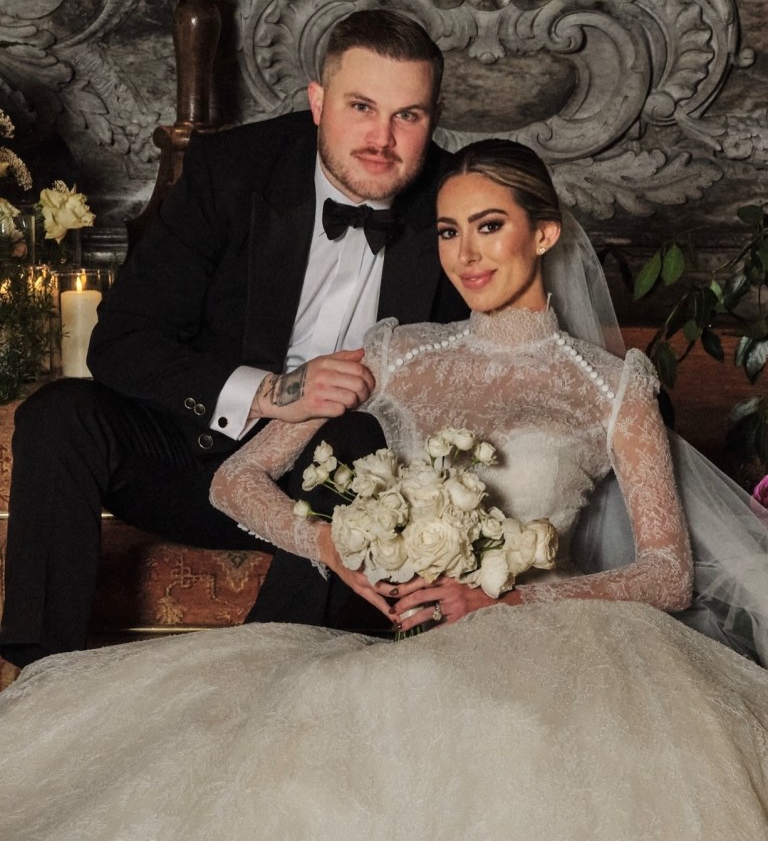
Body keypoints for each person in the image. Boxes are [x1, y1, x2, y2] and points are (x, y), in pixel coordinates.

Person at [2, 140, 768, 841]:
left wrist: (508, 601)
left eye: (488, 226)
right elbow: (237, 479)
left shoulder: (613, 385)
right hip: (400, 640)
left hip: (552, 645)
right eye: (446, 231)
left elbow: (668, 571)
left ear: (544, 234)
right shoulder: (394, 353)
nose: (464, 254)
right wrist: (327, 544)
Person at [0, 8, 468, 674]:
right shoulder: (233, 171)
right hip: (196, 458)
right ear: (316, 100)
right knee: (60, 416)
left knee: (362, 439)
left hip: (329, 489)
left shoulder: (456, 205)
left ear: (433, 119)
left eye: (408, 116)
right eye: (361, 106)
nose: (381, 138)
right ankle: (38, 677)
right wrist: (273, 392)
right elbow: (122, 342)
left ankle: (257, 688)